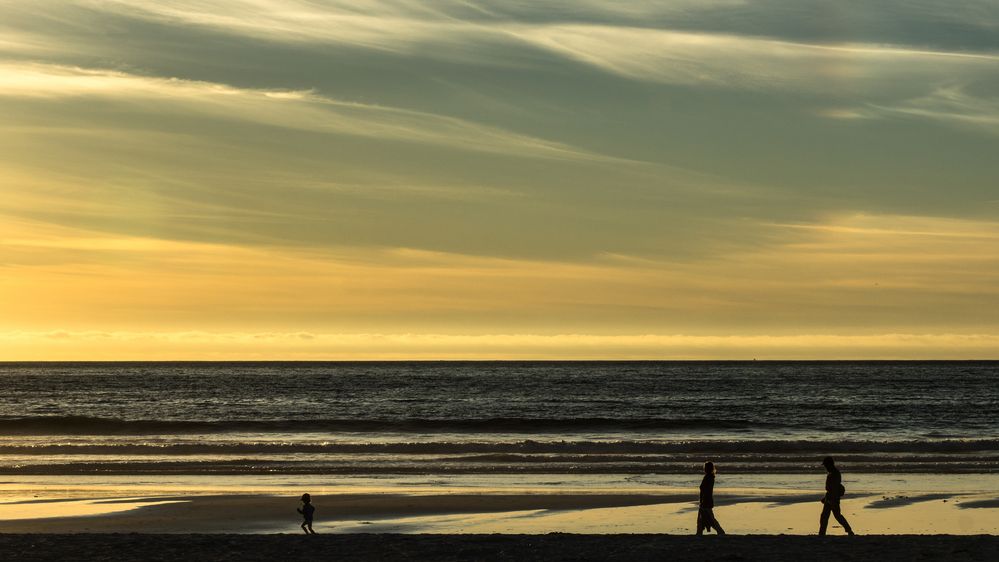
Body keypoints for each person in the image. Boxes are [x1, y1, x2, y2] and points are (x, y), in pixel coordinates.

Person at [819, 456, 855, 535]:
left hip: (833, 499)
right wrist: (825, 498)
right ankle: (822, 533)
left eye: (825, 465)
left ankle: (849, 530)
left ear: (829, 464)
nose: (825, 467)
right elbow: (831, 488)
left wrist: (832, 499)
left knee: (837, 516)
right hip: (829, 498)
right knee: (824, 517)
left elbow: (835, 488)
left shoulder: (835, 474)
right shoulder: (832, 473)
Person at [696, 461, 725, 535]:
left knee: (709, 519)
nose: (704, 469)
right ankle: (699, 532)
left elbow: (705, 490)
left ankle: (720, 531)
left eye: (705, 467)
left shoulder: (708, 477)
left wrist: (703, 500)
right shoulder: (710, 477)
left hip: (706, 500)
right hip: (706, 500)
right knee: (703, 518)